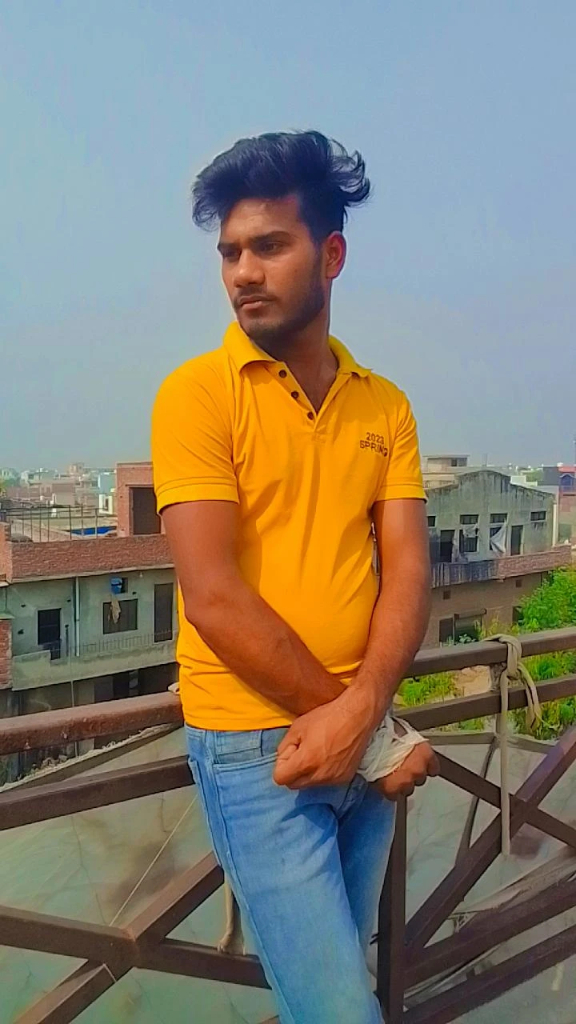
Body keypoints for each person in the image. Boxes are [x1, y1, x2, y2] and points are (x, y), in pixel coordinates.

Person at [152, 130, 436, 1024]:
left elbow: (409, 574)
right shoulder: (198, 395)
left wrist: (365, 722)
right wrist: (364, 726)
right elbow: (214, 599)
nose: (243, 271)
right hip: (255, 753)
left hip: (362, 734)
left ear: (331, 254)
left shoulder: (383, 404)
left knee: (330, 996)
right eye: (231, 252)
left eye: (269, 246)